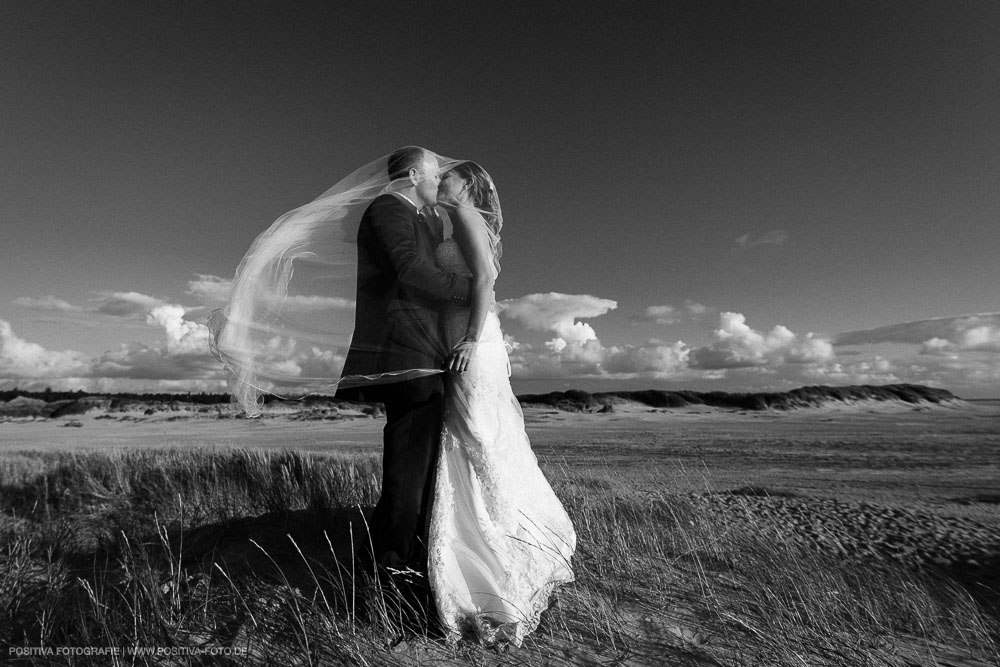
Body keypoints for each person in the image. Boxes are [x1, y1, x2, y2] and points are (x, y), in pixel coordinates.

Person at [427, 161, 576, 646]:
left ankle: (505, 550)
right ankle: (475, 547)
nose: (439, 182)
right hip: (459, 341)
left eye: (446, 177)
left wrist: (470, 340)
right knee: (471, 434)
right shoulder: (454, 223)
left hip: (473, 345)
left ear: (466, 186)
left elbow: (485, 280)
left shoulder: (467, 217)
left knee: (476, 433)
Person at [335, 146, 471, 579]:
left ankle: (405, 556)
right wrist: (469, 289)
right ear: (414, 174)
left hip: (423, 351)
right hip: (405, 351)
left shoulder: (416, 216)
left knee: (421, 466)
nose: (439, 182)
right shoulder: (387, 209)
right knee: (408, 470)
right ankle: (387, 568)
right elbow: (409, 270)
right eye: (434, 175)